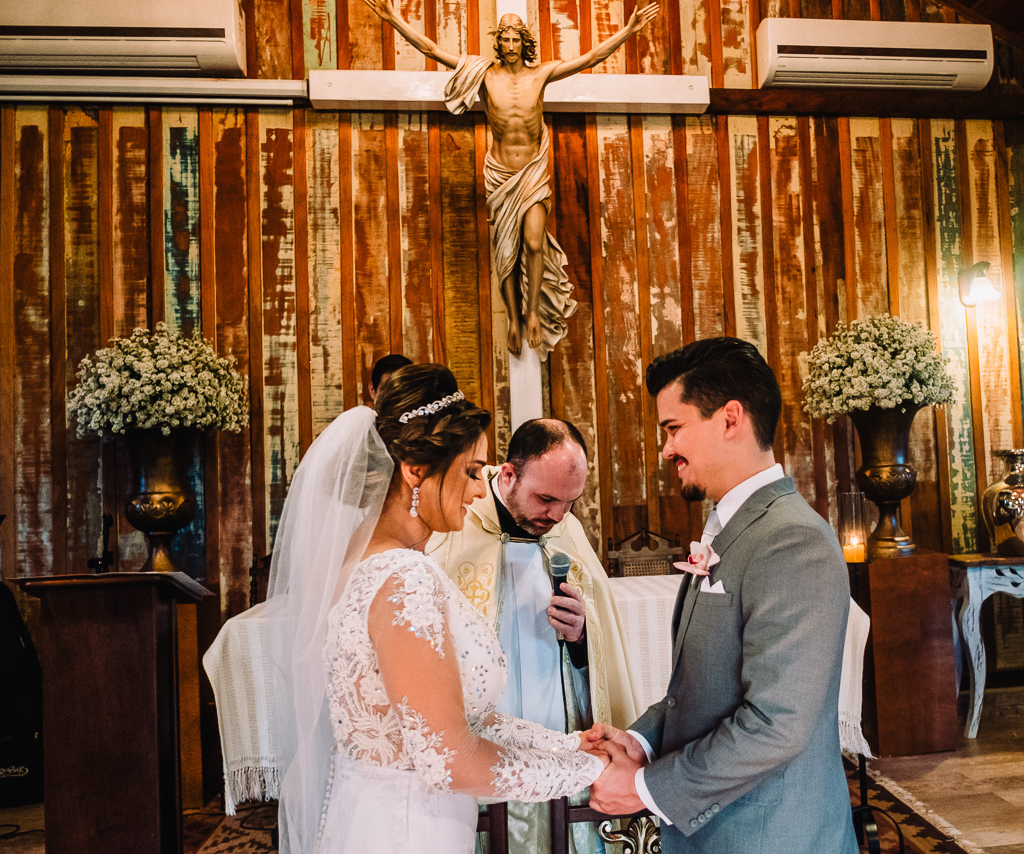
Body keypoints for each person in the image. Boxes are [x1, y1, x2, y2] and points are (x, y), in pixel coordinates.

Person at [266, 364, 607, 854]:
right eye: (470, 471)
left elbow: (456, 720)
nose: (478, 488)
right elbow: (451, 759)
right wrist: (592, 772)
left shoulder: (360, 565)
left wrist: (572, 744)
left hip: (377, 815)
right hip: (408, 831)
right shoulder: (405, 578)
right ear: (415, 471)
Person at [586, 338, 858, 854]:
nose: (666, 450)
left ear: (730, 418)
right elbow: (703, 686)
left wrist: (645, 788)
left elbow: (776, 723)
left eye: (673, 429)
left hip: (769, 835)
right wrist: (641, 740)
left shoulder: (791, 540)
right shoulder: (733, 526)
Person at [362, 0, 658, 359]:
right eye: (505, 38)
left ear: (525, 42)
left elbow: (591, 58)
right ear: (498, 43)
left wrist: (628, 31)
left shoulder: (541, 74)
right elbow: (431, 49)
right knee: (505, 251)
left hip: (532, 171)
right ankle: (514, 319)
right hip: (501, 173)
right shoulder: (484, 74)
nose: (511, 44)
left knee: (533, 243)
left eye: (516, 38)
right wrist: (394, 18)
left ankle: (532, 311)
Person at [428, 418, 642, 854]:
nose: (557, 515)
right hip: (484, 727)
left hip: (555, 719)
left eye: (570, 503)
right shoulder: (454, 526)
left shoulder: (565, 528)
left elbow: (600, 649)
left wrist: (582, 636)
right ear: (508, 475)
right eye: (545, 499)